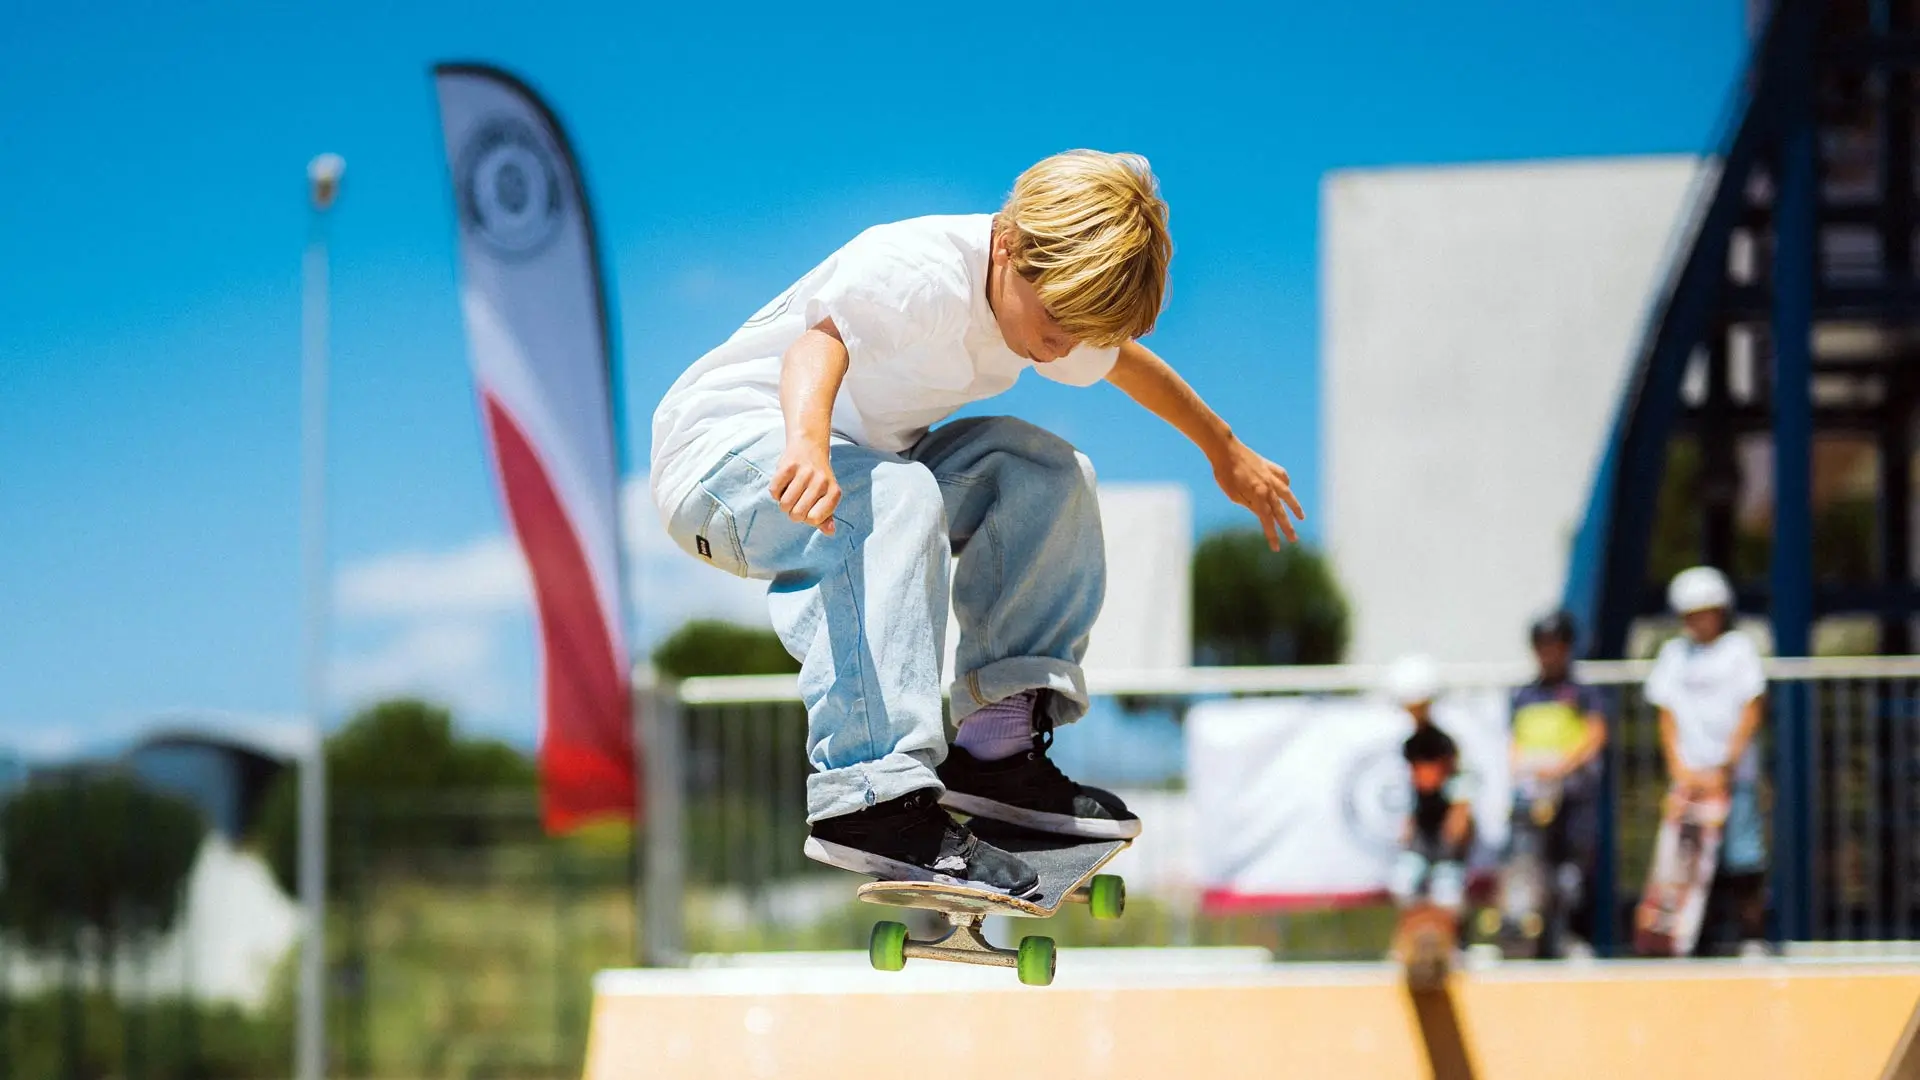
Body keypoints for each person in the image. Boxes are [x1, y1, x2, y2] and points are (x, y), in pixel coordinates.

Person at [649, 150, 1305, 898]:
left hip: (854, 458)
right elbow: (818, 345)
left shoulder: (1047, 296)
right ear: (1008, 246)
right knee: (894, 496)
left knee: (1044, 475)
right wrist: (807, 440)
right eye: (1056, 322)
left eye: (1077, 333)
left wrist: (1224, 449)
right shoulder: (918, 270)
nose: (1059, 348)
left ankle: (997, 751)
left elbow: (1124, 363)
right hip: (724, 459)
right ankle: (869, 795)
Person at [1644, 565, 1769, 956]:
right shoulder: (1673, 655)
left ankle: (1750, 937)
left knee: (1741, 856)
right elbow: (1665, 713)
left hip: (1732, 776)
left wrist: (1726, 765)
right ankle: (1695, 940)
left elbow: (1752, 708)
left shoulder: (1739, 650)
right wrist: (1679, 768)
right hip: (1689, 778)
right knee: (1685, 866)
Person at [1505, 610, 1608, 956]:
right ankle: (1534, 944)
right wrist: (1523, 772)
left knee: (1571, 874)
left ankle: (1572, 939)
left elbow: (1595, 734)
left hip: (1573, 799)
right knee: (1533, 873)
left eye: (1555, 645)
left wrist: (1562, 766)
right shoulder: (1523, 694)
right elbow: (1515, 741)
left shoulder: (1581, 691)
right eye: (1542, 646)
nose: (1548, 653)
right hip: (1534, 800)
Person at [1385, 654, 1476, 915]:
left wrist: (1460, 813)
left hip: (1446, 827)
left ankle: (1451, 943)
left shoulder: (1446, 742)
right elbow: (1413, 789)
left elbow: (1463, 780)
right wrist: (1409, 821)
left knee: (1448, 893)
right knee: (1403, 883)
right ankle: (1417, 932)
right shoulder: (1410, 745)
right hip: (1424, 828)